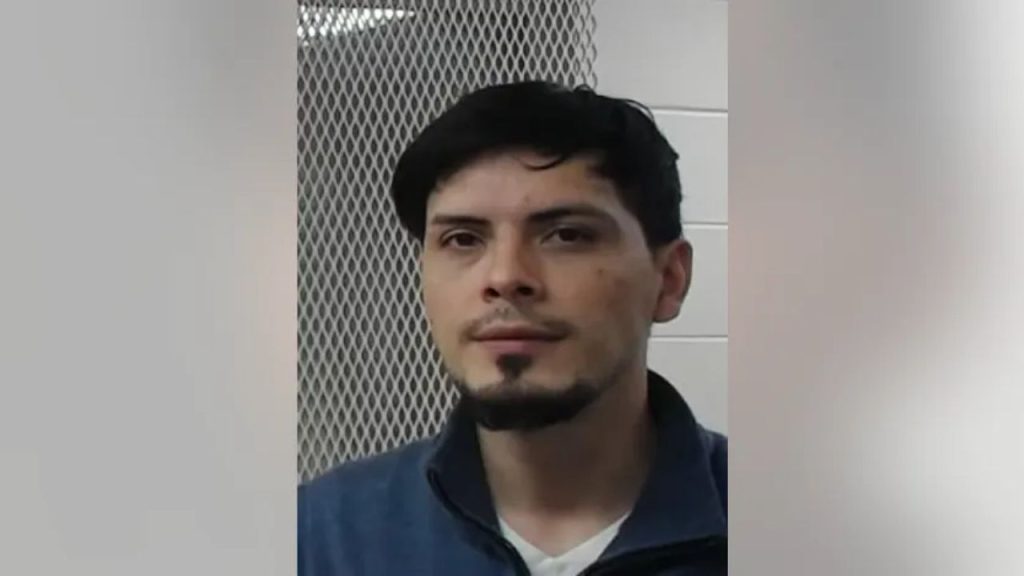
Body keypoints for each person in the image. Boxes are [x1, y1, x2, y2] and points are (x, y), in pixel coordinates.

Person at [298, 80, 727, 575]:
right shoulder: (322, 539)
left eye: (566, 235)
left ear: (669, 280)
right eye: (463, 239)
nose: (504, 277)